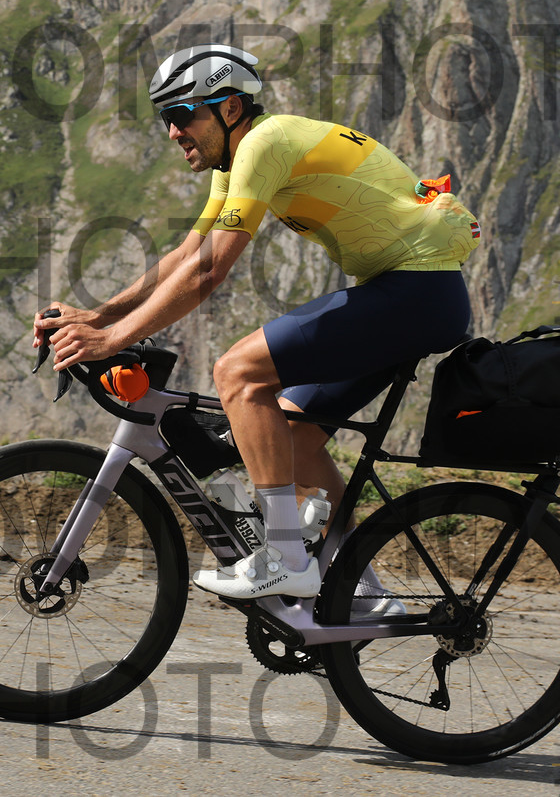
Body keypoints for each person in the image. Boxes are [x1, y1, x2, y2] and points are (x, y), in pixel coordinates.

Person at [36, 43, 479, 599]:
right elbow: (189, 255)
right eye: (165, 118)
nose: (172, 132)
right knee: (292, 436)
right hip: (411, 294)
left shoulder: (263, 145)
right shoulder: (240, 154)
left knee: (238, 373)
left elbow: (209, 273)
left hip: (417, 290)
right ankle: (361, 592)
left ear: (229, 108)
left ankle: (287, 558)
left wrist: (110, 340)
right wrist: (98, 316)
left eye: (182, 115)